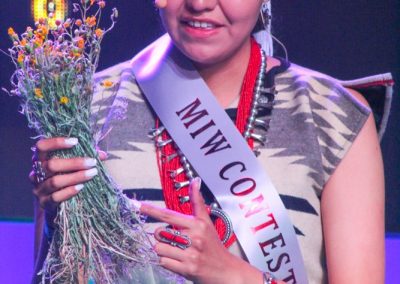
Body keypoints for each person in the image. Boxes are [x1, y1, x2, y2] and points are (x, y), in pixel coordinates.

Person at [31, 0, 392, 283]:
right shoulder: (86, 106)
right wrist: (55, 218)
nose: (200, 3)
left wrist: (231, 275)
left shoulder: (331, 116)